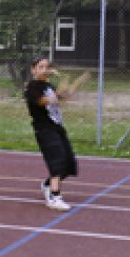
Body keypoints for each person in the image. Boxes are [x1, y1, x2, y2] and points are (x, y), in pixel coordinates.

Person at [24, 57, 89, 212]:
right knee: (57, 160)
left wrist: (77, 82)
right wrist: (61, 82)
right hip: (44, 129)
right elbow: (44, 101)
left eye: (47, 67)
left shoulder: (48, 86)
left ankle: (47, 184)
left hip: (57, 128)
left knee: (68, 163)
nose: (45, 70)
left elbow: (63, 96)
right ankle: (54, 197)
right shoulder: (32, 87)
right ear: (33, 70)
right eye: (41, 67)